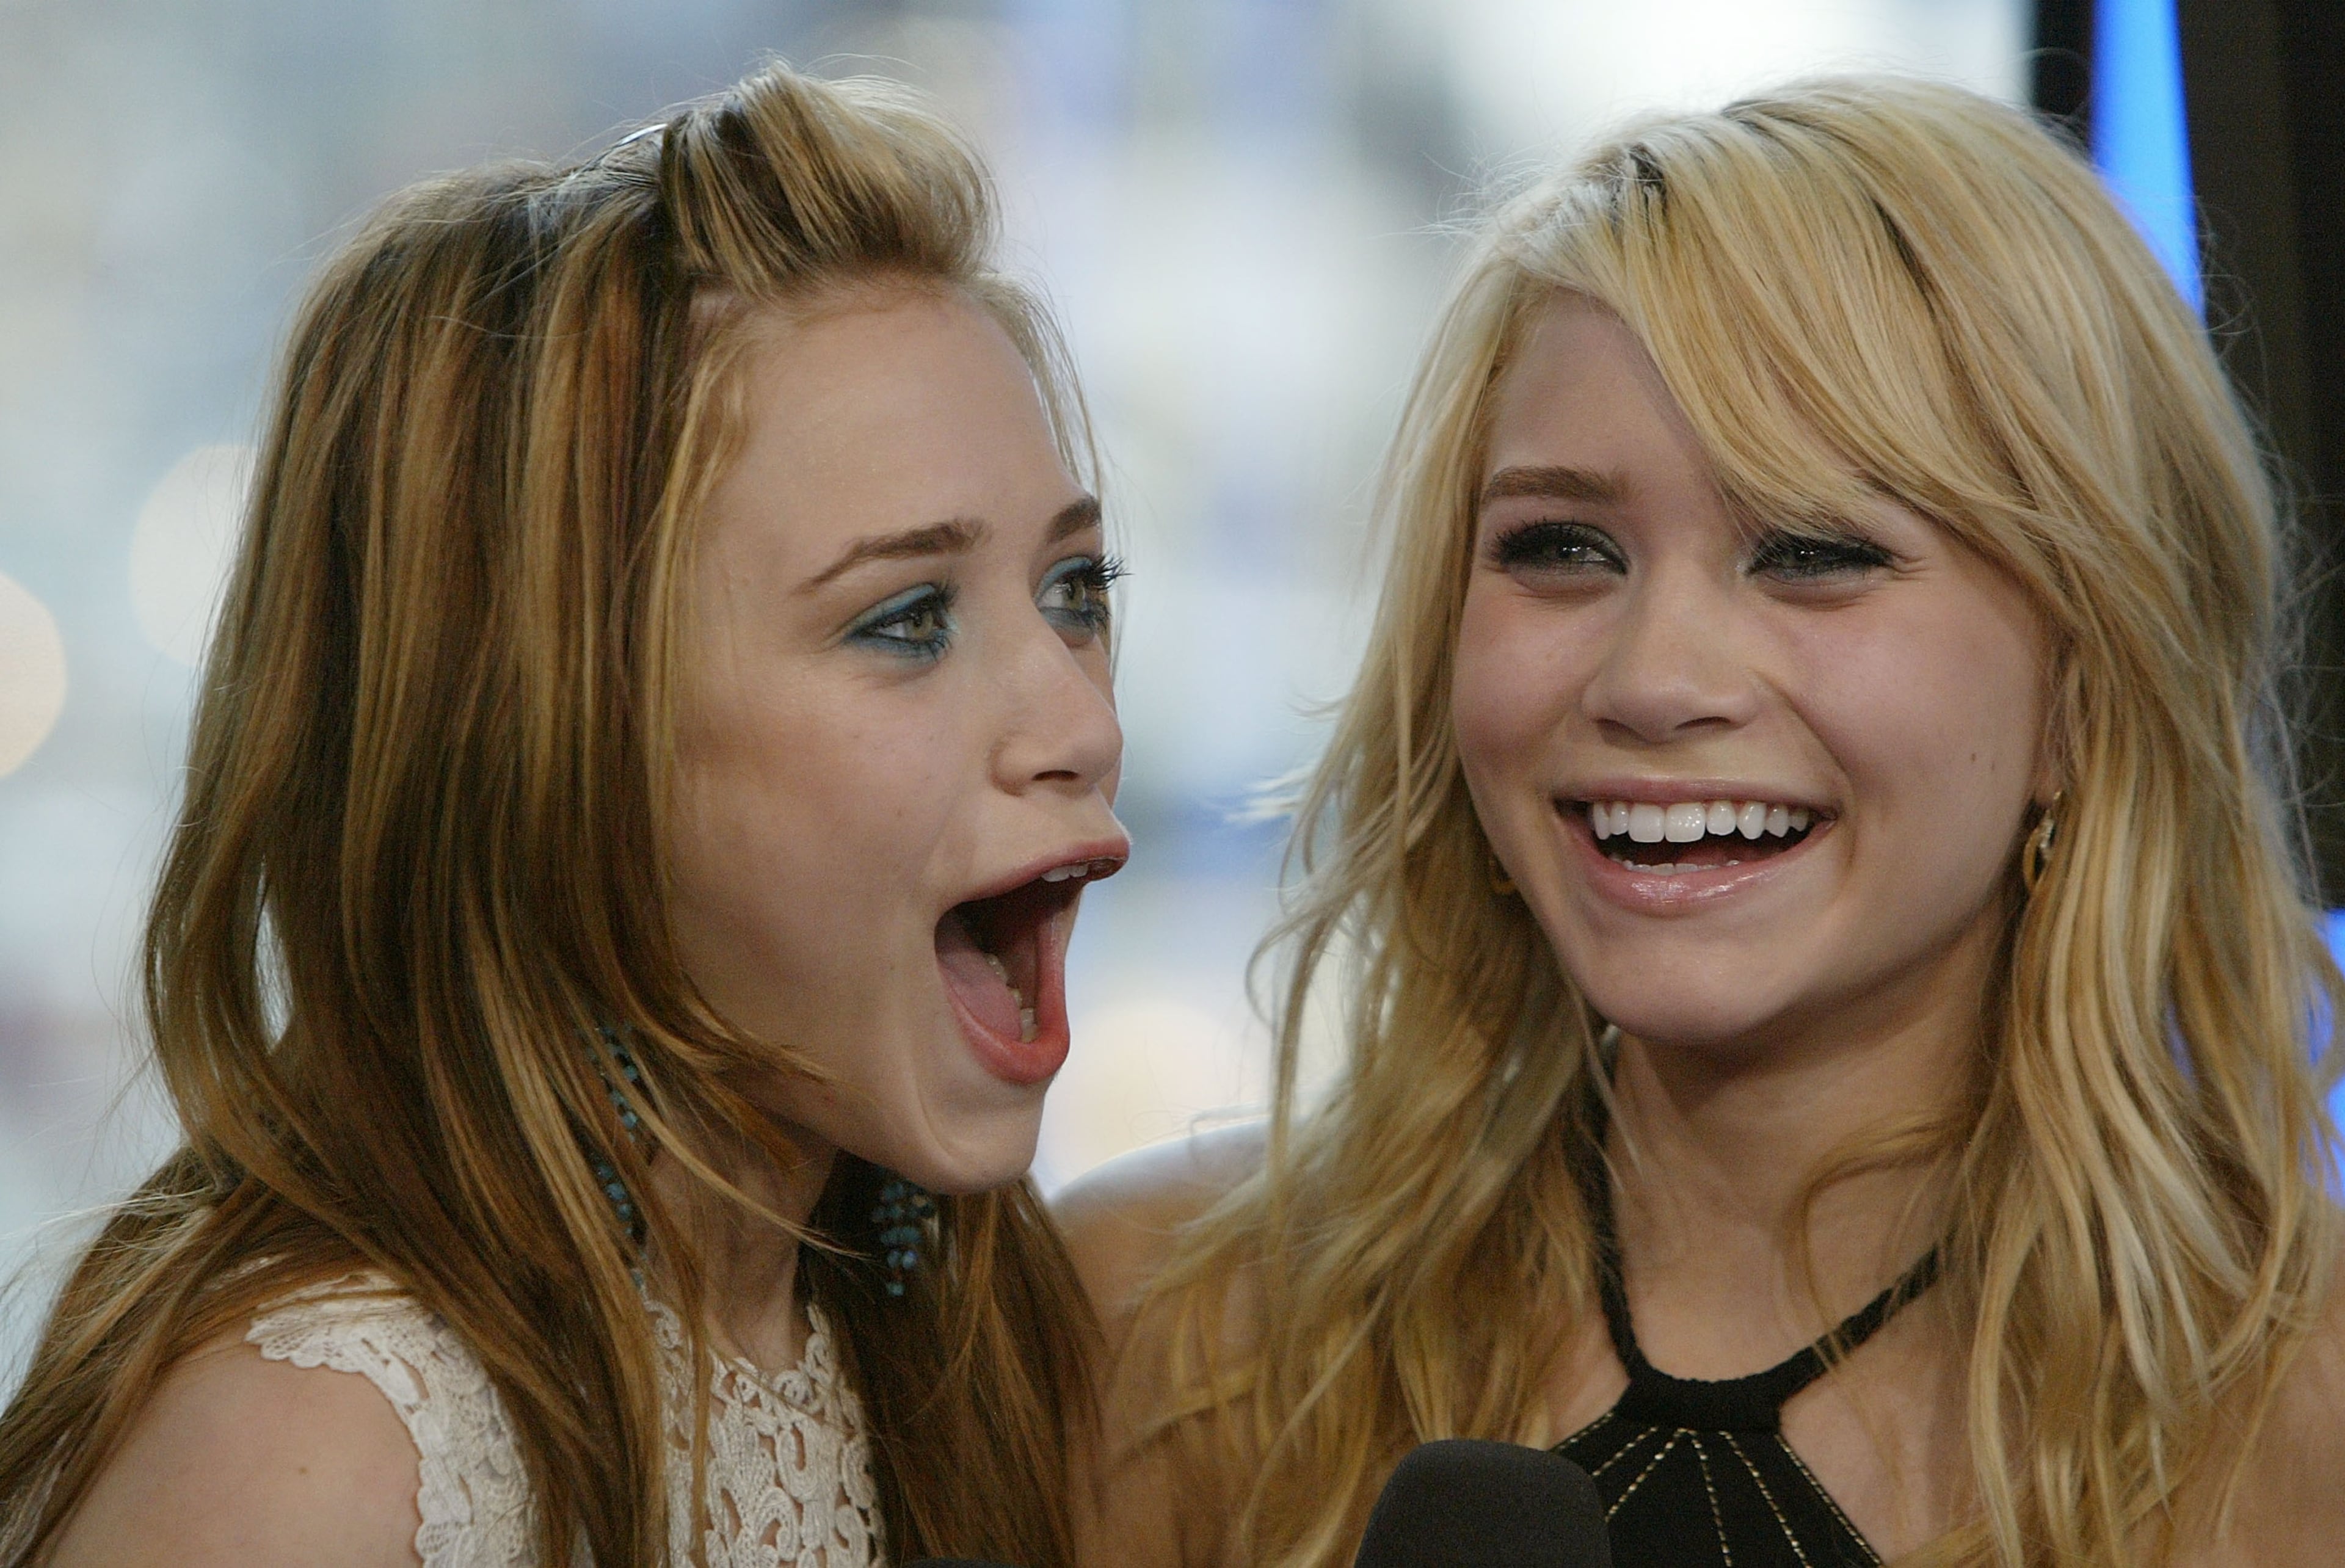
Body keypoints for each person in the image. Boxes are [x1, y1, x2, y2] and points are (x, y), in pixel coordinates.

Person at [1060, 77, 2345, 1567]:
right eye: (1561, 547)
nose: (1656, 679)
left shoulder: (2302, 1413)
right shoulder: (1151, 1331)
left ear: (2083, 682)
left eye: (1812, 551)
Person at [0, 60, 1127, 1568]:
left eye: (1076, 592)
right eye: (908, 619)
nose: (1082, 722)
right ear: (551, 733)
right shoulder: (321, 1462)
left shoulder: (962, 1348)